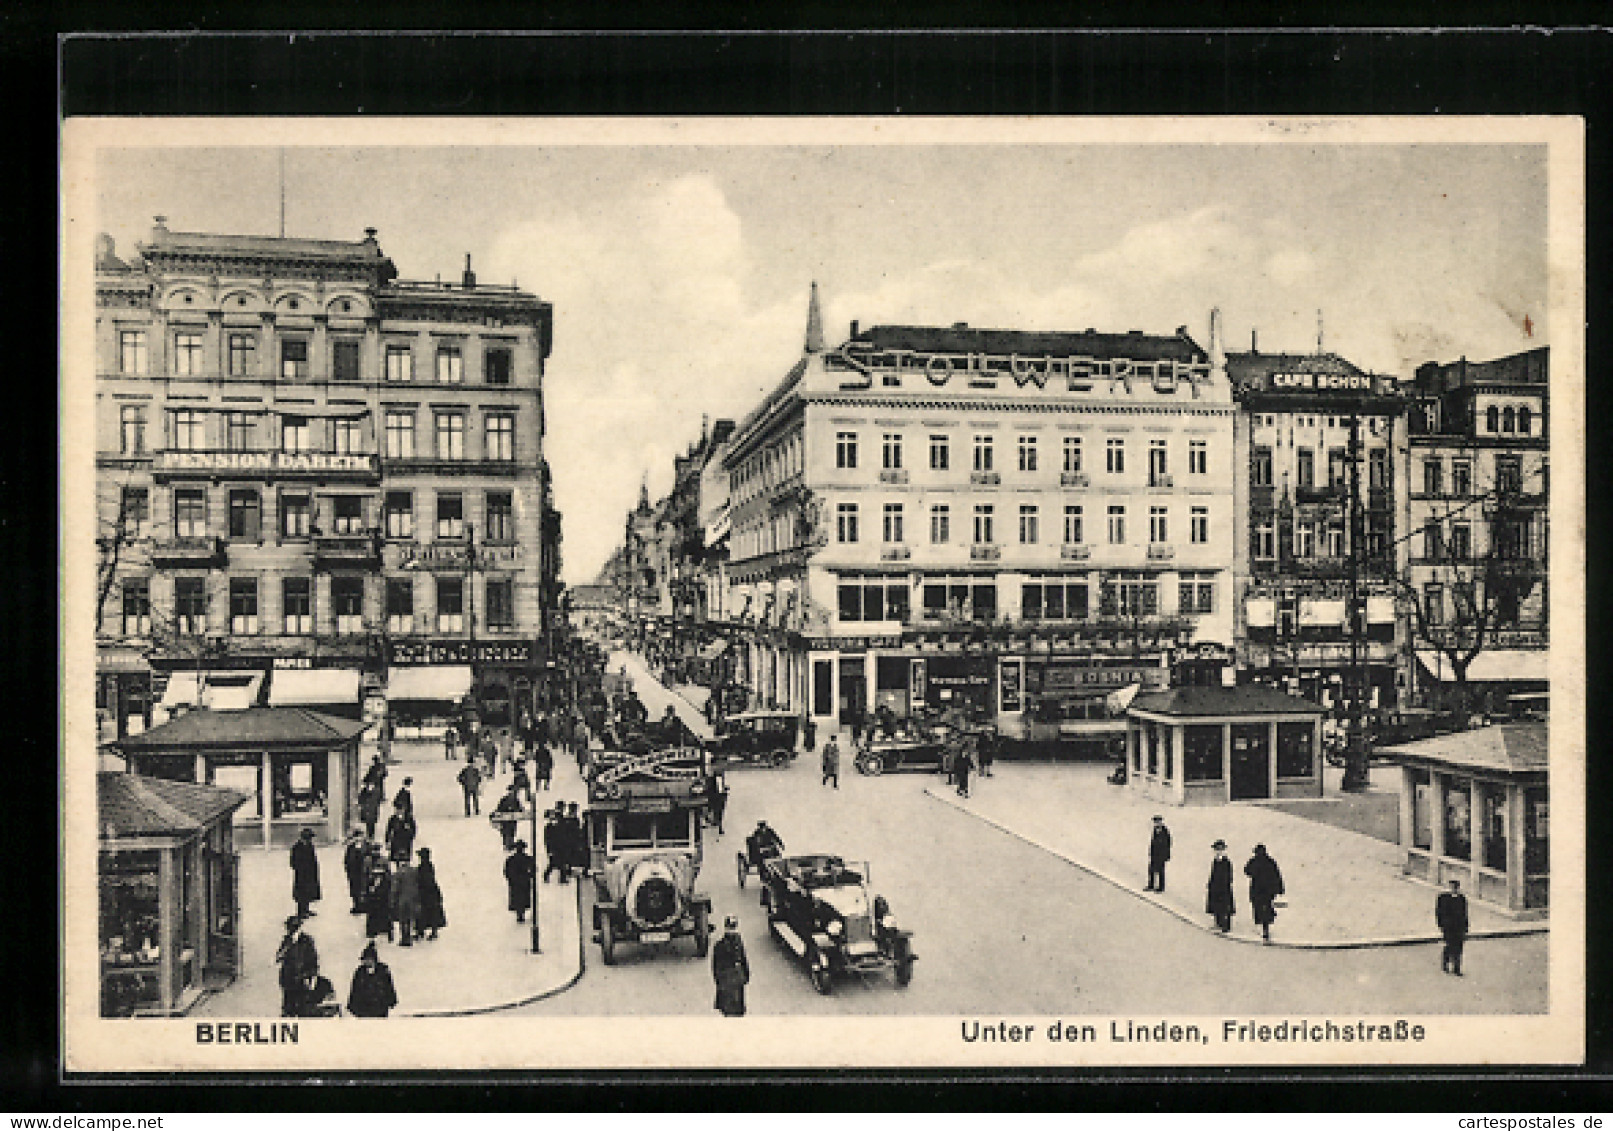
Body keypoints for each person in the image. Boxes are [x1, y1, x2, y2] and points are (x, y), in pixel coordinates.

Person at [275, 915, 318, 1018]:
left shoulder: (307, 940)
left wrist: (311, 976)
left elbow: (313, 959)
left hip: (302, 978)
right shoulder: (287, 940)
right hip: (288, 979)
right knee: (288, 1008)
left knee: (302, 1008)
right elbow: (278, 957)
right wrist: (284, 951)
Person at [1244, 844, 1286, 942]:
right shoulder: (1270, 862)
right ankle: (1265, 927)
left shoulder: (1254, 861)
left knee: (1258, 907)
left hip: (1258, 890)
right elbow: (1277, 875)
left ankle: (1263, 927)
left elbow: (1247, 871)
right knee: (1265, 907)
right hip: (1267, 890)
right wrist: (1280, 889)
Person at [346, 942, 398, 1018]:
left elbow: (389, 987)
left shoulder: (383, 971)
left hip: (379, 1008)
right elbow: (355, 990)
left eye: (369, 959)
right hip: (363, 1009)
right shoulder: (359, 972)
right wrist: (353, 1006)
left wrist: (390, 1001)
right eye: (365, 960)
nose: (367, 962)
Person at [711, 915, 750, 1017]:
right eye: (730, 928)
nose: (732, 931)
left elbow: (743, 958)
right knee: (728, 1009)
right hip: (727, 980)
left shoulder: (738, 941)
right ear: (726, 928)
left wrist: (746, 974)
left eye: (733, 928)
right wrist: (719, 981)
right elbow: (716, 966)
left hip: (737, 979)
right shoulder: (720, 945)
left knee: (738, 1009)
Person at [1436, 878, 1470, 976]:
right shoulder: (1443, 898)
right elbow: (1439, 912)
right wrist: (1442, 925)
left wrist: (1466, 926)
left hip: (1459, 927)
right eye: (1451, 887)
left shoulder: (1461, 898)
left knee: (1459, 947)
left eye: (1455, 887)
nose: (1453, 889)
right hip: (1449, 926)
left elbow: (1464, 913)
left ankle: (1457, 967)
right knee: (1450, 945)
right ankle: (1445, 963)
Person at [289, 827, 321, 919]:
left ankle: (306, 909)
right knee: (301, 893)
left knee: (309, 892)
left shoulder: (310, 846)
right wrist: (300, 869)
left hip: (310, 874)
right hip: (302, 875)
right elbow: (293, 862)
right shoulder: (297, 847)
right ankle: (301, 912)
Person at [416, 847, 446, 941]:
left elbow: (425, 881)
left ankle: (424, 932)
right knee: (432, 912)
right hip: (432, 892)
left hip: (427, 893)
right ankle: (430, 931)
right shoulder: (429, 866)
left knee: (425, 912)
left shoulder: (423, 867)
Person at [1206, 839, 1236, 933]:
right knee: (1216, 906)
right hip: (1215, 887)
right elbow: (1213, 873)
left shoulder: (1226, 862)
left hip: (1223, 888)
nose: (1217, 851)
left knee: (1224, 906)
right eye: (1216, 849)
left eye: (1219, 849)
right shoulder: (1215, 861)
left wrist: (1224, 884)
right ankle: (1218, 923)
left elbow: (1228, 876)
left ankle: (1226, 926)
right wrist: (1210, 883)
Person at [391, 853, 420, 946]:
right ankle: (409, 935)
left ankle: (404, 938)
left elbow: (395, 888)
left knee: (403, 919)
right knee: (410, 918)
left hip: (402, 899)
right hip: (413, 898)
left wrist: (392, 899)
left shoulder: (398, 873)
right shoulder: (414, 871)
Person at [362, 854, 394, 942]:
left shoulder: (384, 880)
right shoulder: (368, 861)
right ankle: (373, 931)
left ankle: (382, 930)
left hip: (380, 900)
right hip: (376, 900)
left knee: (382, 914)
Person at [504, 840, 535, 923]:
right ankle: (521, 913)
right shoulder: (527, 859)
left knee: (518, 899)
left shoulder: (511, 859)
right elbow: (533, 870)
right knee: (523, 898)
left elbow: (506, 872)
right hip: (524, 882)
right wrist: (529, 876)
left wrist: (511, 879)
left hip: (516, 883)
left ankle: (520, 914)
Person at [490, 783, 524, 850]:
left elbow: (520, 809)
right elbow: (499, 809)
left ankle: (509, 844)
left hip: (512, 820)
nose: (512, 793)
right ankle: (507, 845)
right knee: (506, 833)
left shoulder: (516, 801)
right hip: (505, 820)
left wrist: (518, 812)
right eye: (511, 791)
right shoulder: (504, 800)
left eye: (514, 791)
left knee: (511, 832)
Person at [342, 830, 368, 914]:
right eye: (357, 837)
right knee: (354, 889)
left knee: (364, 887)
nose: (359, 839)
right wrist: (347, 869)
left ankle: (363, 905)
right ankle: (356, 905)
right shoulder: (351, 847)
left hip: (364, 872)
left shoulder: (367, 846)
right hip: (353, 872)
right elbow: (346, 859)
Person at [384, 799, 417, 865]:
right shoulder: (392, 819)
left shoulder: (409, 819)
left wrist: (409, 832)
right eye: (396, 809)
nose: (398, 811)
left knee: (405, 860)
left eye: (400, 809)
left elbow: (414, 831)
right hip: (395, 842)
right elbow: (388, 831)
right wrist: (387, 842)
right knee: (396, 860)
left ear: (404, 809)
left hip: (405, 842)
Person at [1145, 815, 1172, 893]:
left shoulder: (1165, 831)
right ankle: (1151, 885)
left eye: (1158, 822)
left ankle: (1161, 887)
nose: (1156, 824)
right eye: (1155, 822)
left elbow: (1168, 843)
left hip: (1161, 855)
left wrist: (1166, 854)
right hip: (1154, 854)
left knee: (1160, 871)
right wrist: (1151, 851)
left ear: (1161, 822)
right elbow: (1153, 842)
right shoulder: (1155, 830)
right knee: (1151, 869)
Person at [563, 802, 587, 880]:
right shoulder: (573, 819)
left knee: (570, 857)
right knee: (571, 856)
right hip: (572, 841)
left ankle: (568, 871)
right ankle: (567, 872)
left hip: (569, 841)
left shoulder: (567, 818)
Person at [542, 807, 565, 883]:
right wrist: (549, 850)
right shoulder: (550, 828)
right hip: (554, 849)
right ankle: (560, 878)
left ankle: (562, 878)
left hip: (558, 848)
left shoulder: (556, 827)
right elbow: (548, 840)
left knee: (559, 864)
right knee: (555, 864)